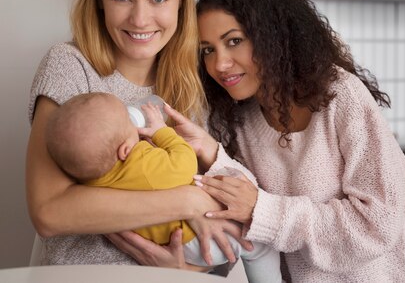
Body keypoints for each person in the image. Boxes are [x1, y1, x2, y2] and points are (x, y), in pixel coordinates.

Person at [26, 0, 251, 269]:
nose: (140, 19)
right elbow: (50, 212)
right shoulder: (69, 66)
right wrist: (188, 200)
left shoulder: (197, 81)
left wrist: (185, 270)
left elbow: (223, 221)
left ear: (181, 0)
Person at [190, 0, 405, 282]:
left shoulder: (342, 96)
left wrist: (263, 210)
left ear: (273, 35)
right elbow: (241, 214)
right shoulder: (234, 118)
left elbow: (377, 224)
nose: (219, 64)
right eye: (208, 50)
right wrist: (211, 153)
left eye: (234, 41)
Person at [45, 92, 281, 283]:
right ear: (125, 151)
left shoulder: (90, 180)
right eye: (128, 122)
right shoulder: (142, 165)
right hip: (195, 239)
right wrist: (162, 133)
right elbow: (184, 165)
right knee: (260, 245)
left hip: (170, 244)